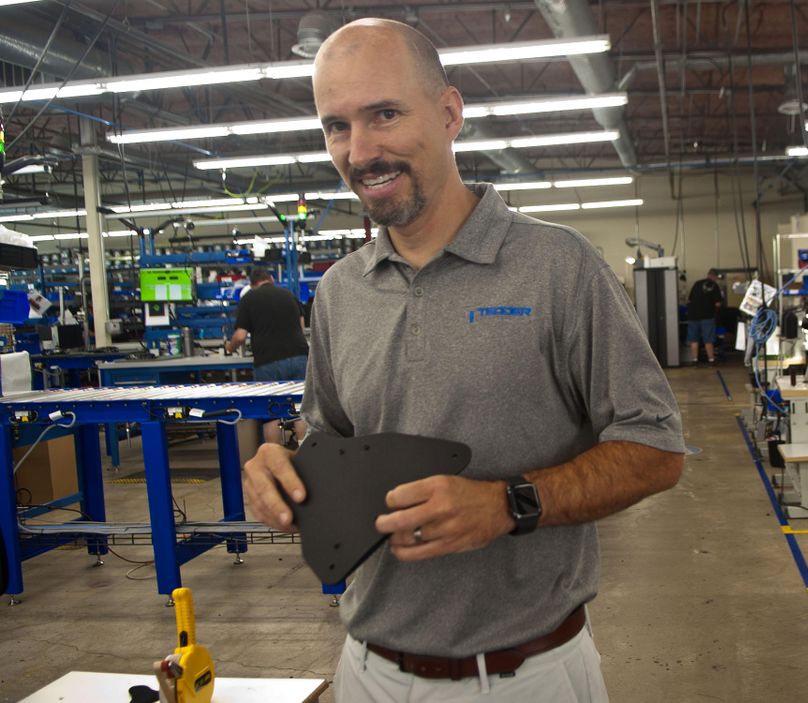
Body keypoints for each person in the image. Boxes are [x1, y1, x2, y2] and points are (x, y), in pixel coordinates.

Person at [241, 18, 685, 703]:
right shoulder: (337, 292)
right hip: (368, 669)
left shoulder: (557, 267)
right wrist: (287, 468)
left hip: (526, 675)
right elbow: (329, 436)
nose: (360, 151)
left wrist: (511, 504)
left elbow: (657, 445)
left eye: (384, 114)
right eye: (336, 126)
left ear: (450, 113)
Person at [226, 268, 309, 444]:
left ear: (252, 284)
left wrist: (229, 347)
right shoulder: (288, 295)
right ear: (271, 279)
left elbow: (240, 336)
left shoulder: (249, 298)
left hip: (268, 361)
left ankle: (274, 456)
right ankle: (305, 452)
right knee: (300, 408)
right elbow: (301, 329)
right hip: (299, 357)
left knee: (271, 411)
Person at [687, 268, 725, 365]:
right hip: (707, 317)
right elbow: (718, 304)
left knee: (694, 339)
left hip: (693, 316)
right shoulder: (714, 285)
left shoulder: (697, 283)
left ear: (708, 274)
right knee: (708, 339)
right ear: (715, 276)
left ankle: (695, 360)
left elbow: (689, 300)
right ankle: (711, 360)